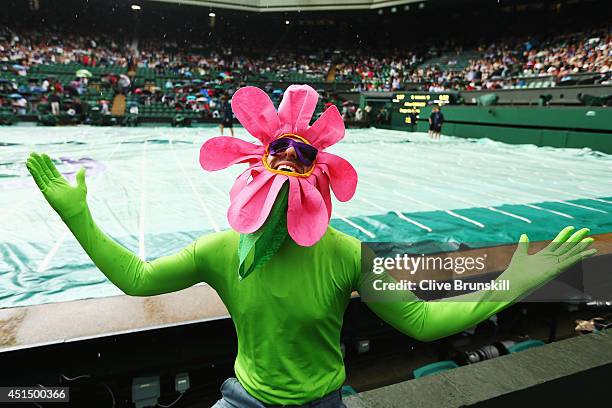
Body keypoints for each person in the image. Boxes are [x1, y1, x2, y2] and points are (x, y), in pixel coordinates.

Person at [26, 85, 596, 408]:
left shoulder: (343, 253)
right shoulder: (228, 249)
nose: (285, 174)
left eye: (298, 162)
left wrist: (515, 280)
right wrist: (78, 216)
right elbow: (138, 279)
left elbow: (420, 321)